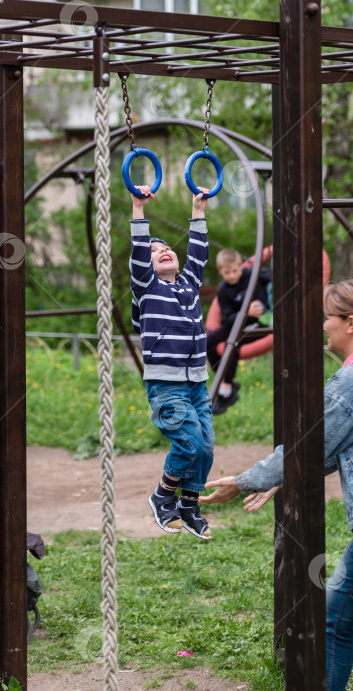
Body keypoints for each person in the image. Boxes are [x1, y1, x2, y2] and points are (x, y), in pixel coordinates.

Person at [201, 279, 353, 691]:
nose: (323, 327)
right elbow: (333, 447)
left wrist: (245, 480)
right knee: (333, 619)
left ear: (350, 323)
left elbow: (309, 445)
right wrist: (283, 476)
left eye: (328, 319)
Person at [130, 184, 214, 540]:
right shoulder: (147, 288)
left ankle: (189, 505)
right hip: (166, 383)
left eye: (166, 248)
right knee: (190, 441)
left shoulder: (189, 285)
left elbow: (198, 254)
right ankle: (163, 496)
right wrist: (139, 209)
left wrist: (198, 212)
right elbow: (139, 252)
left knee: (206, 446)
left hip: (197, 381)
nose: (162, 251)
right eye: (155, 251)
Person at [207, 247, 272, 415]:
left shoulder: (253, 274)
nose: (232, 275)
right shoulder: (223, 290)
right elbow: (227, 317)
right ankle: (226, 381)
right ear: (221, 271)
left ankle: (226, 390)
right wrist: (244, 312)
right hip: (236, 323)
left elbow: (274, 278)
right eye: (227, 272)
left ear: (240, 266)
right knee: (208, 342)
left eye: (235, 270)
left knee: (232, 345)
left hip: (259, 324)